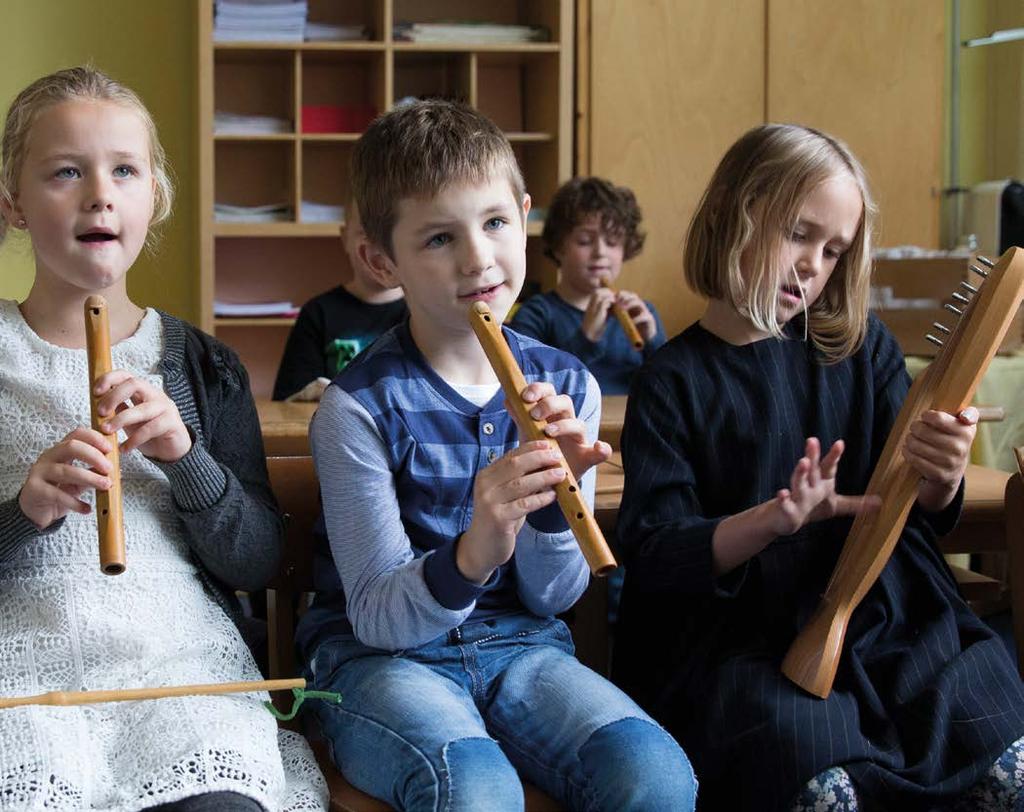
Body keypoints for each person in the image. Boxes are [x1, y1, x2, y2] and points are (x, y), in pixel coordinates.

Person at [296, 100, 697, 811]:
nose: (479, 258)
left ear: (524, 213)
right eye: (439, 239)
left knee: (656, 777)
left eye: (494, 224)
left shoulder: (570, 384)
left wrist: (548, 509)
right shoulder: (353, 409)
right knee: (477, 792)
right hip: (382, 661)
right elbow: (381, 618)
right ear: (380, 259)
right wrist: (479, 545)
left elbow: (554, 597)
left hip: (523, 645)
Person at [611, 123, 1024, 811]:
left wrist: (943, 474)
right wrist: (770, 521)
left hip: (894, 620)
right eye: (798, 234)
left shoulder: (863, 353)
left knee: (1006, 766)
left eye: (834, 250)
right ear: (731, 216)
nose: (813, 265)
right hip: (748, 643)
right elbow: (656, 552)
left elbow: (920, 505)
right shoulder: (672, 381)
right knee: (828, 791)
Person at [0, 66, 326, 811]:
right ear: (12, 204)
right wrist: (25, 509)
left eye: (123, 169)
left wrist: (187, 461)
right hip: (22, 680)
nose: (98, 194)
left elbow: (256, 561)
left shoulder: (204, 365)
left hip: (177, 668)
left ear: (155, 196)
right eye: (65, 172)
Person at [510, 176, 666, 395]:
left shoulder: (643, 314)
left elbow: (668, 388)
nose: (600, 252)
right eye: (584, 241)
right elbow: (523, 387)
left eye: (612, 241)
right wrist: (585, 339)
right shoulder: (537, 314)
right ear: (558, 247)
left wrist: (653, 342)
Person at [271, 201, 406, 402]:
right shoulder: (317, 313)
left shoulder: (425, 312)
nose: (377, 249)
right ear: (345, 238)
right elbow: (288, 402)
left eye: (387, 233)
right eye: (366, 233)